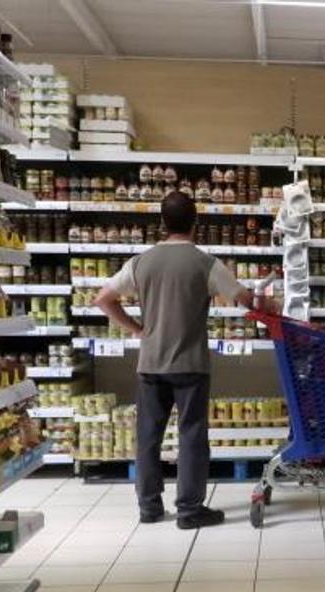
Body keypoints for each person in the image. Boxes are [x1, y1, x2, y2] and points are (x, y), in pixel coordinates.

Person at [95, 191, 261, 529]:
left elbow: (104, 299)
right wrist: (262, 302)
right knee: (191, 437)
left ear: (162, 222)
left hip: (151, 364)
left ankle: (149, 507)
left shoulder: (141, 262)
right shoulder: (205, 262)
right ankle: (189, 510)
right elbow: (245, 299)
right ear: (195, 222)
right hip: (190, 365)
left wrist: (138, 330)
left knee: (148, 438)